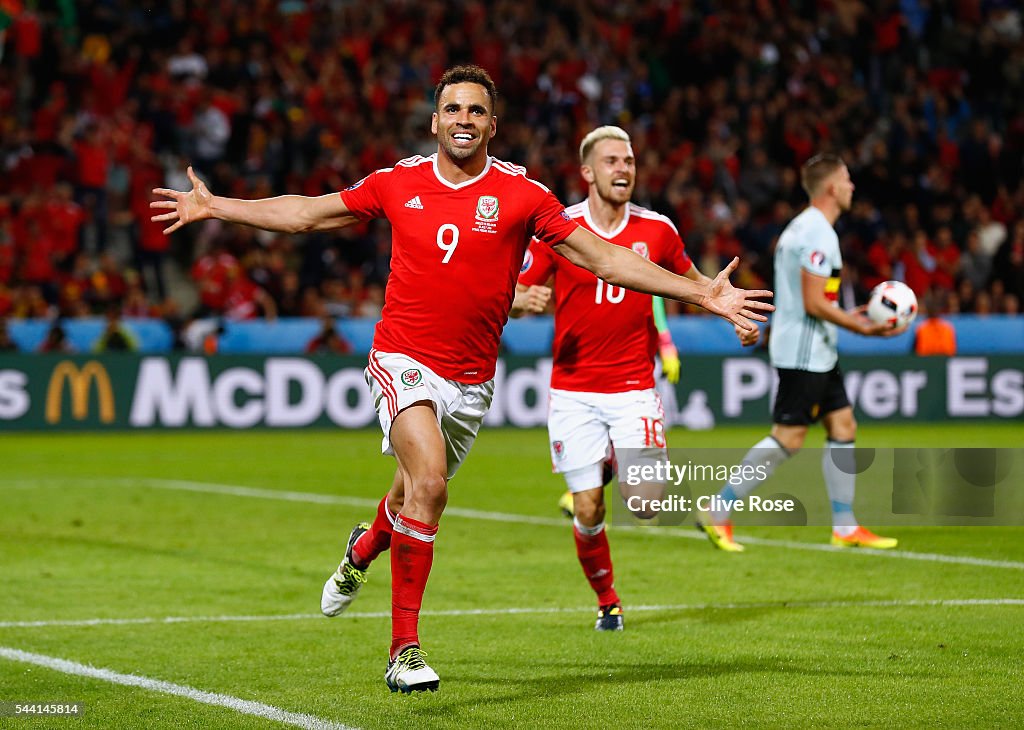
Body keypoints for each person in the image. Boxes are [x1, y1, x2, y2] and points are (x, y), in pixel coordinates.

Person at [152, 65, 773, 694]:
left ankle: (364, 550)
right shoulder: (398, 183)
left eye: (476, 112)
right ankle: (405, 651)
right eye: (453, 110)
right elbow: (308, 214)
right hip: (403, 359)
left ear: (492, 125)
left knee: (407, 500)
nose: (464, 121)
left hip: (471, 382)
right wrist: (216, 205)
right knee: (428, 484)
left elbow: (606, 257)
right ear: (435, 120)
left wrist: (701, 293)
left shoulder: (523, 196)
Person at [511, 125, 756, 630]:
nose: (623, 169)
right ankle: (608, 600)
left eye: (629, 161)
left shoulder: (658, 230)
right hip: (573, 390)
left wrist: (730, 311)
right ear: (587, 172)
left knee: (645, 503)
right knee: (587, 509)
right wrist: (522, 300)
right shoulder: (561, 229)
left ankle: (612, 460)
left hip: (632, 387)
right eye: (611, 161)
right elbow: (513, 291)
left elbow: (698, 286)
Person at [697, 153, 901, 553]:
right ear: (831, 188)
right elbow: (813, 303)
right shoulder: (817, 234)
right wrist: (862, 327)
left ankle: (844, 527)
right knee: (788, 438)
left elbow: (816, 298)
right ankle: (717, 508)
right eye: (846, 180)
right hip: (805, 351)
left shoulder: (806, 228)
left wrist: (846, 314)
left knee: (843, 426)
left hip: (816, 347)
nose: (852, 187)